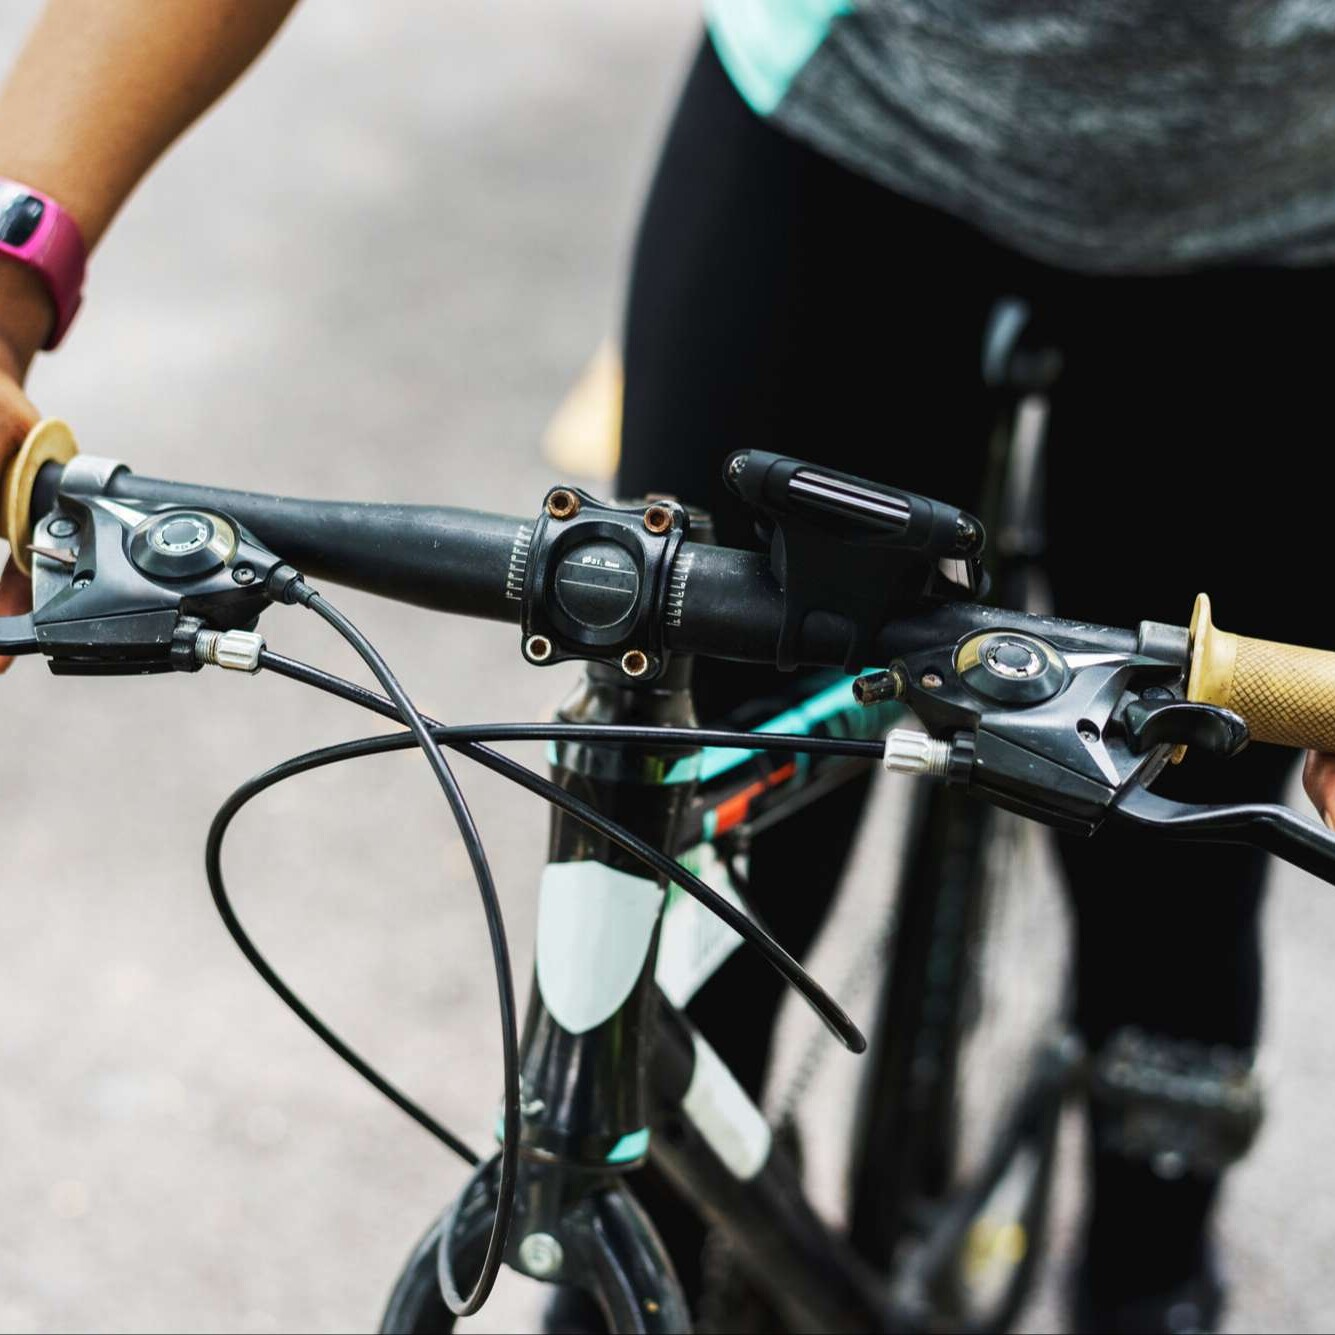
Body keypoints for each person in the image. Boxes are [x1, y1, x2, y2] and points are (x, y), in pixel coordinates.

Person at [3, 4, 1335, 1331]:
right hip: (843, 121)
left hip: (1286, 212)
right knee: (693, 889)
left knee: (1188, 840)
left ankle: (1153, 1246)